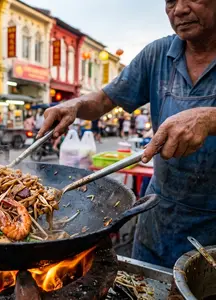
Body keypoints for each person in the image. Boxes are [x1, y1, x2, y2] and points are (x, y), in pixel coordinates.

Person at [38, 0, 216, 268]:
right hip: (159, 218)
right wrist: (74, 104)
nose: (178, 9)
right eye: (170, 1)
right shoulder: (158, 54)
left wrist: (209, 118)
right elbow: (104, 100)